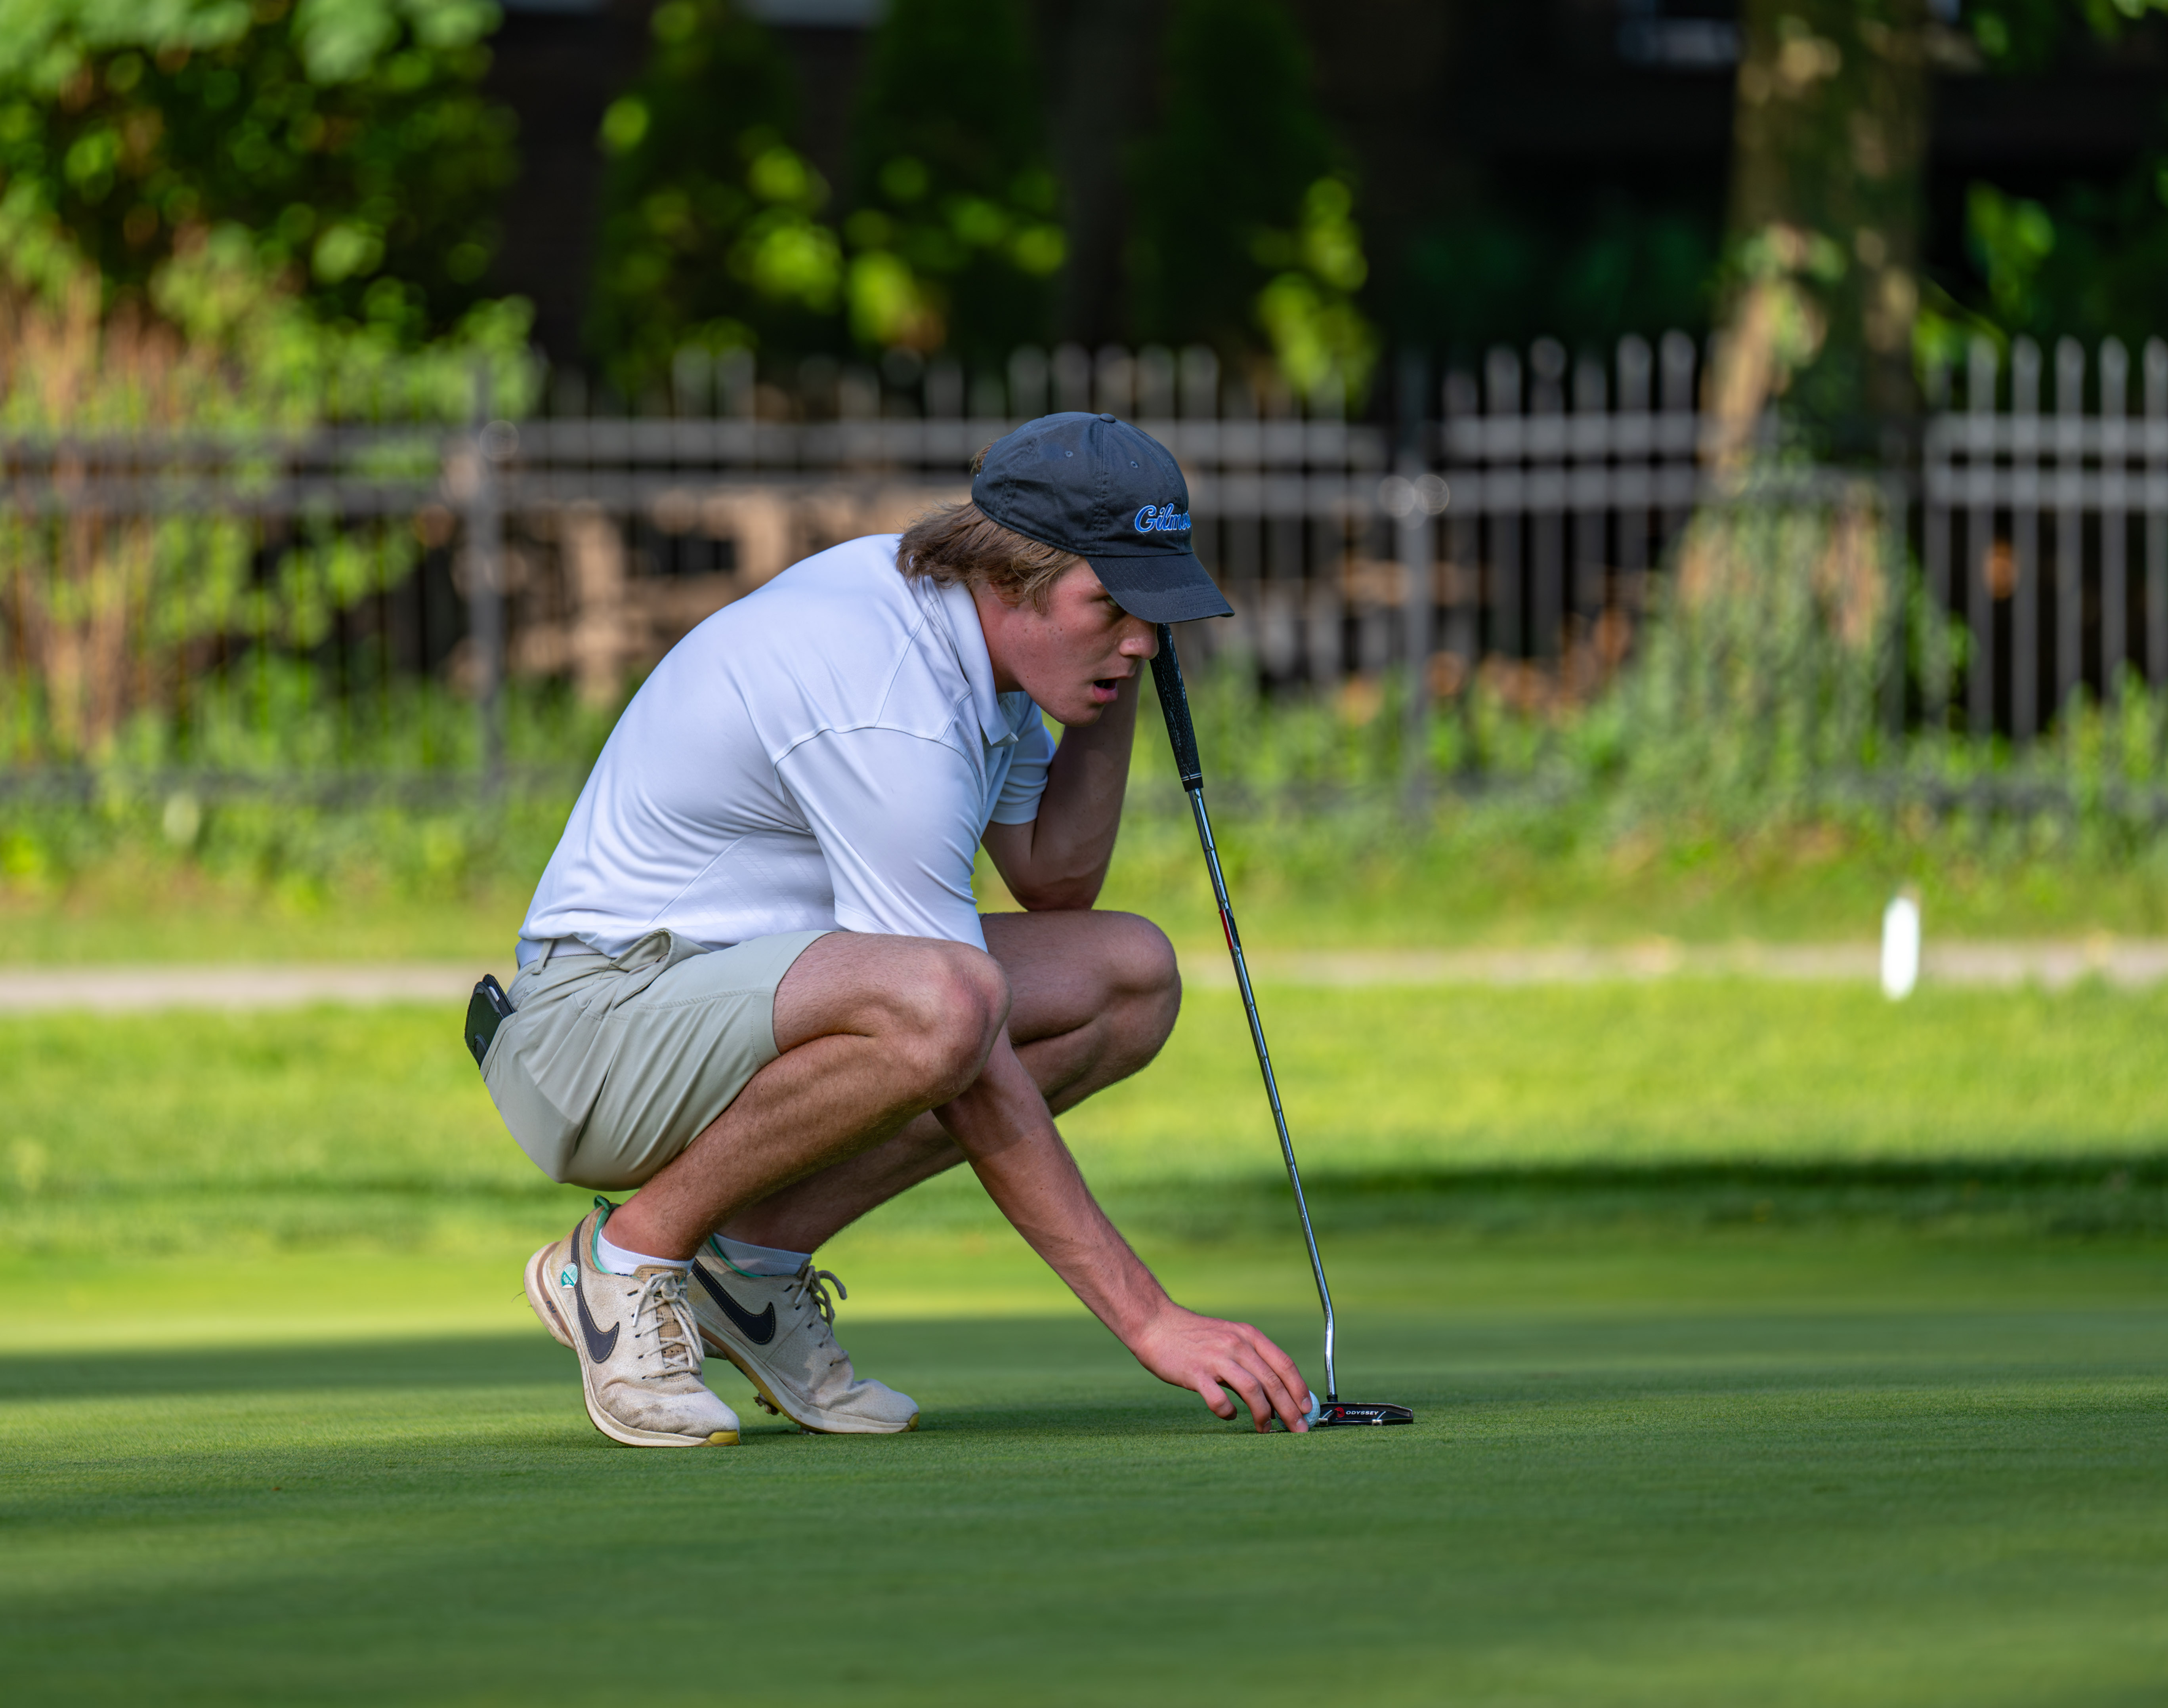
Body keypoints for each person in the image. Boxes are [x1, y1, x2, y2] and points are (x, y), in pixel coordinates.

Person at [478, 411, 1315, 1448]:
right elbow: (954, 1030)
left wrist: (1115, 676)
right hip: (592, 1036)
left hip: (734, 996)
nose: (1141, 638)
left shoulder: (967, 640)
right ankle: (624, 1261)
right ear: (1010, 579)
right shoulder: (889, 692)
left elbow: (1054, 880)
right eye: (1111, 605)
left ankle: (749, 1269)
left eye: (1149, 611)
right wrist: (1149, 1319)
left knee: (1127, 977)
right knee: (945, 1007)